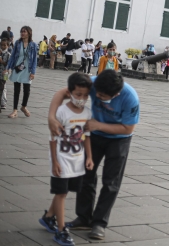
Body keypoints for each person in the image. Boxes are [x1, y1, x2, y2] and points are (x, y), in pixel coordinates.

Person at [48, 70, 140, 240]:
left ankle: (99, 223)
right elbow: (62, 92)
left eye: (102, 96)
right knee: (86, 175)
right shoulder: (93, 82)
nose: (96, 96)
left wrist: (98, 125)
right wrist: (52, 117)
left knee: (111, 182)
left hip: (119, 139)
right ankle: (84, 217)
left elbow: (128, 128)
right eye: (96, 93)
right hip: (95, 135)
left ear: (116, 94)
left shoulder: (130, 98)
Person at [39, 73, 94, 246]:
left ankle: (48, 217)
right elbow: (52, 139)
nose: (82, 99)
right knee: (61, 193)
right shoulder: (62, 112)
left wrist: (89, 157)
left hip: (77, 161)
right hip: (61, 159)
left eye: (85, 96)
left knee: (64, 192)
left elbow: (87, 136)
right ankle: (61, 231)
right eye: (78, 95)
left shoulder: (87, 112)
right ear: (69, 92)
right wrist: (54, 161)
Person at [6, 26, 37, 119]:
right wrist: (8, 67)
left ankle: (23, 106)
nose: (22, 33)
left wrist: (33, 72)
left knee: (27, 90)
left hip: (27, 68)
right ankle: (15, 110)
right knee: (16, 89)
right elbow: (12, 57)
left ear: (29, 33)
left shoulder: (33, 45)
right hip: (17, 68)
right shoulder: (17, 43)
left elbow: (35, 59)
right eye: (21, 31)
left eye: (24, 32)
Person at [0, 39, 10, 113]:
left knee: (3, 88)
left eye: (4, 45)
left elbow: (9, 65)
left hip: (4, 74)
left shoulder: (8, 54)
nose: (3, 47)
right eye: (2, 45)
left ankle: (3, 103)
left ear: (7, 46)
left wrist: (2, 61)